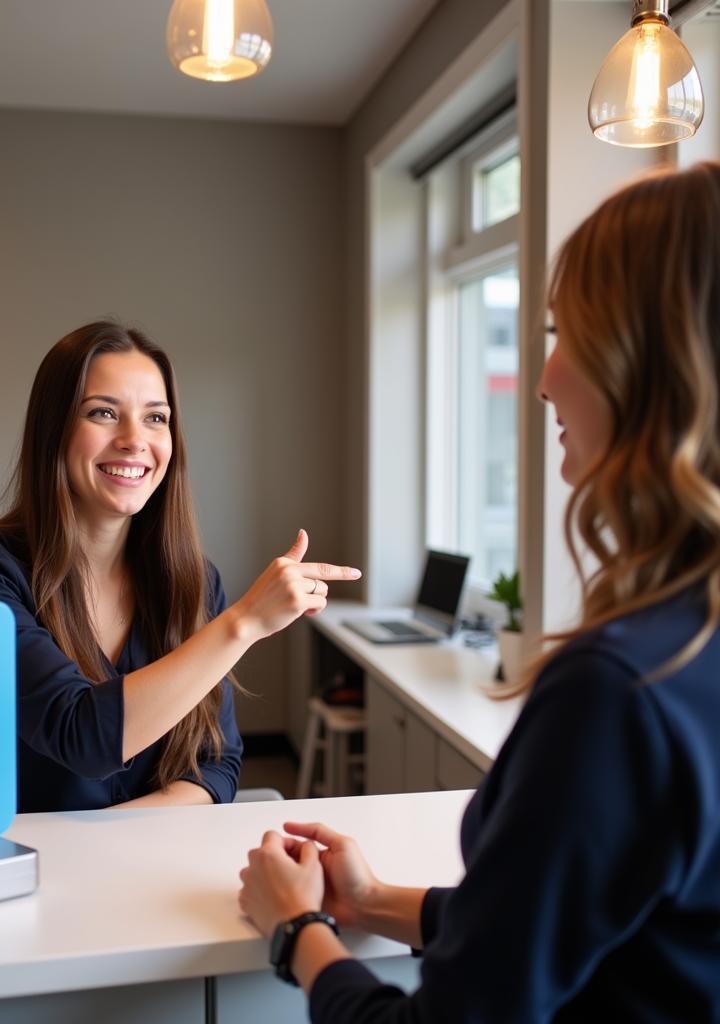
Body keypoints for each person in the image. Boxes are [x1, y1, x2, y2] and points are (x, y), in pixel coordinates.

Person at [238, 162, 720, 1021]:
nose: (543, 380)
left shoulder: (618, 692)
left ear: (653, 369)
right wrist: (376, 899)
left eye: (567, 333)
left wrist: (296, 931)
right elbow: (612, 932)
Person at [0, 320, 361, 812]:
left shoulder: (196, 581)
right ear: (54, 430)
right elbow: (81, 737)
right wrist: (243, 624)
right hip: (29, 875)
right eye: (103, 413)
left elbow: (216, 764)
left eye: (156, 418)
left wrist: (117, 846)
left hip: (149, 864)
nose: (134, 440)